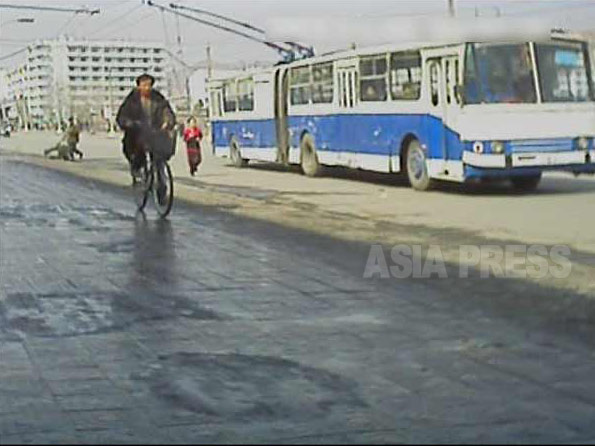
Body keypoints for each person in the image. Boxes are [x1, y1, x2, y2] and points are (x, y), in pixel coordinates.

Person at [115, 73, 176, 183]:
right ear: (139, 86)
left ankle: (161, 179)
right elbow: (122, 116)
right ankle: (138, 168)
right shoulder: (132, 100)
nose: (147, 88)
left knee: (162, 149)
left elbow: (167, 111)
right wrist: (130, 124)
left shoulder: (158, 98)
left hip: (155, 132)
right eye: (144, 85)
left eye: (149, 85)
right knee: (135, 150)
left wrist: (167, 121)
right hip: (137, 133)